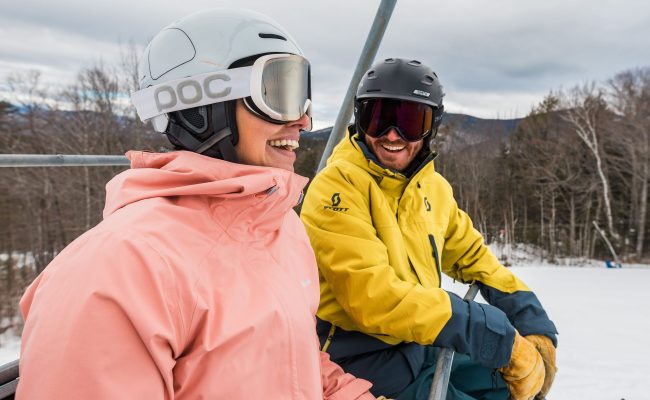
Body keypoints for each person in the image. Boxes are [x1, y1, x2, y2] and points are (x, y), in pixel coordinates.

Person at [17, 9, 377, 399]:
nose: (304, 121)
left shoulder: (280, 228)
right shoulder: (120, 267)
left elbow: (294, 361)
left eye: (300, 94)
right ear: (199, 106)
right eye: (279, 93)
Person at [300, 58, 558, 400]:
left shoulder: (432, 189)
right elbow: (372, 296)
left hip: (417, 341)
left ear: (431, 126)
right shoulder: (336, 188)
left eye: (410, 121)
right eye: (378, 119)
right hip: (357, 355)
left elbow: (473, 257)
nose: (393, 135)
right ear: (360, 121)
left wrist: (530, 319)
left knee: (502, 385)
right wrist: (486, 331)